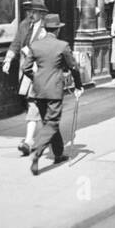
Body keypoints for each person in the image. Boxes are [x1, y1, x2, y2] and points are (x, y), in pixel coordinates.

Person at [28, 13, 84, 173]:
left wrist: (37, 78)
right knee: (52, 123)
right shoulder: (62, 46)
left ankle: (58, 153)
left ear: (45, 29)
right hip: (53, 90)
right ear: (57, 30)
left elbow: (25, 68)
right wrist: (78, 85)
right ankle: (36, 151)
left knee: (49, 122)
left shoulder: (35, 45)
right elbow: (73, 67)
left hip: (37, 90)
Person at [2, 0, 48, 156]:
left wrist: (33, 51)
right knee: (34, 102)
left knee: (34, 102)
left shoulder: (47, 27)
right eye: (29, 11)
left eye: (33, 11)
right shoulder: (24, 24)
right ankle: (41, 137)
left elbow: (51, 48)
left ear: (41, 13)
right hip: (27, 69)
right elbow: (16, 43)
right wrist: (8, 59)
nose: (30, 14)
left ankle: (29, 140)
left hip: (40, 69)